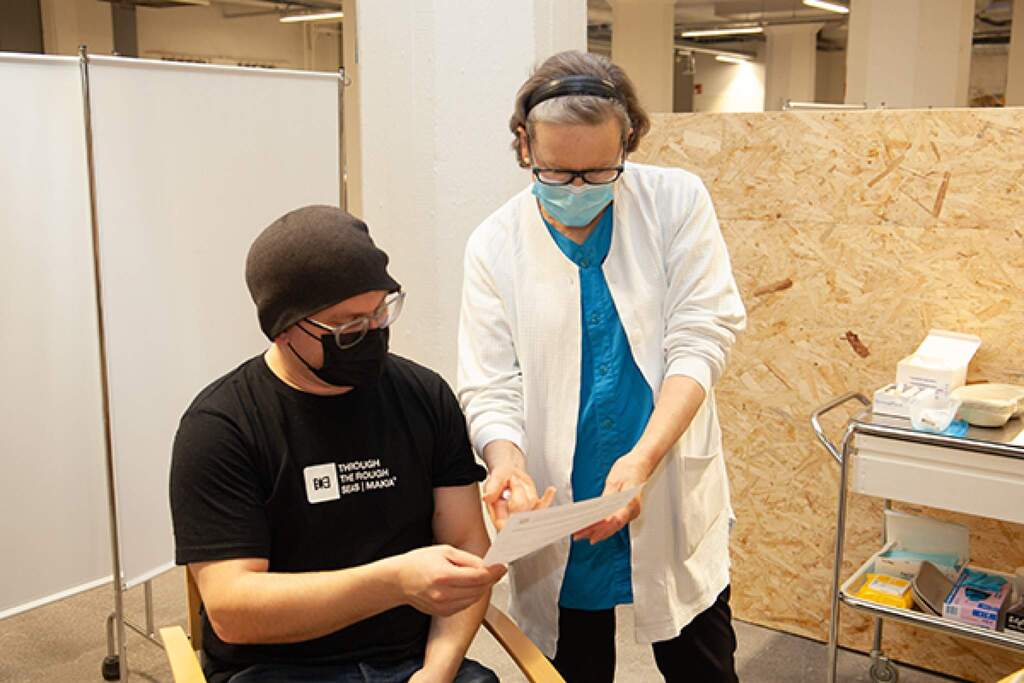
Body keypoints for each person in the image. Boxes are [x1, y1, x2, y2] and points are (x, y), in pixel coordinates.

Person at [457, 50, 747, 683]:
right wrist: (506, 463)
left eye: (598, 172)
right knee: (574, 664)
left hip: (660, 475)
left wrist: (644, 458)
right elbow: (490, 384)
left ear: (629, 140)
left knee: (701, 661)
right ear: (524, 144)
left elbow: (700, 337)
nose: (577, 190)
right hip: (559, 499)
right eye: (557, 172)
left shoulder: (675, 202)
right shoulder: (494, 244)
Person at [170, 205, 504, 683]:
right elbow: (233, 611)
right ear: (283, 330)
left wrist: (437, 671)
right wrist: (394, 582)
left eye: (380, 311)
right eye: (347, 326)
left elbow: (467, 542)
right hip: (279, 667)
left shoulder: (424, 396)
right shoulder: (221, 428)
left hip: (414, 660)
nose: (372, 333)